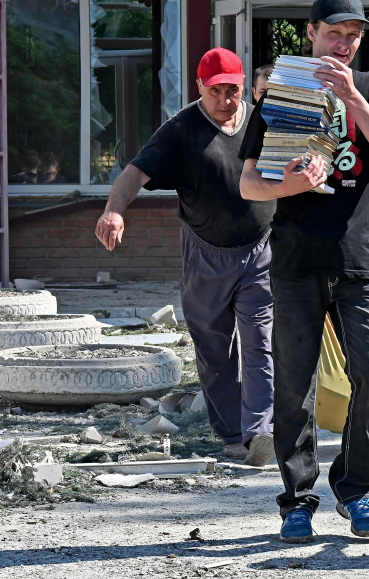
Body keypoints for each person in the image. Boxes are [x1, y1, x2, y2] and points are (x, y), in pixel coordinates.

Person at [239, 0, 369, 544]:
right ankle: (297, 498)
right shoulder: (286, 88)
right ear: (311, 33)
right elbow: (248, 181)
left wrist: (355, 100)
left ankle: (355, 489)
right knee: (294, 387)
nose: (345, 43)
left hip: (358, 259)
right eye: (335, 33)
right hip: (295, 260)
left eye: (354, 34)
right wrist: (292, 183)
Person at [94, 47, 277, 468]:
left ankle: (260, 433)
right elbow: (134, 173)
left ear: (244, 86)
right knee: (214, 349)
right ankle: (232, 434)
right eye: (216, 92)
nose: (226, 100)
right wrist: (114, 211)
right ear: (200, 87)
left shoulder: (263, 120)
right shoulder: (180, 130)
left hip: (260, 248)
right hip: (206, 254)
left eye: (233, 90)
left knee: (260, 342)